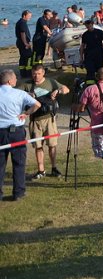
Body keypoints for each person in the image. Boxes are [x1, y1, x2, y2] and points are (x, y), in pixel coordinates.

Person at [19, 64, 69, 178]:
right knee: (38, 146)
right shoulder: (26, 84)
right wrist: (27, 94)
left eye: (38, 74)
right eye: (34, 74)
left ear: (43, 73)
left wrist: (58, 91)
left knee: (52, 145)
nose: (36, 76)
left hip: (49, 119)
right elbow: (15, 94)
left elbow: (66, 89)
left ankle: (54, 167)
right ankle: (41, 170)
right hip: (35, 120)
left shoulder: (51, 82)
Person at [0, 69, 40, 200]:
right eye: (15, 79)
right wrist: (26, 113)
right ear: (10, 81)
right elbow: (37, 104)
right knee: (19, 162)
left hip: (1, 132)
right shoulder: (19, 93)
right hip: (16, 131)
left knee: (0, 164)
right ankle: (18, 192)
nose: (16, 81)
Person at [15, 10, 33, 79]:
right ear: (24, 16)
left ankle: (23, 73)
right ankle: (28, 73)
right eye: (29, 16)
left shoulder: (19, 22)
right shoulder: (22, 23)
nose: (30, 18)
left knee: (22, 58)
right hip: (23, 43)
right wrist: (26, 43)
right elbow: (22, 33)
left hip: (20, 42)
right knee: (28, 57)